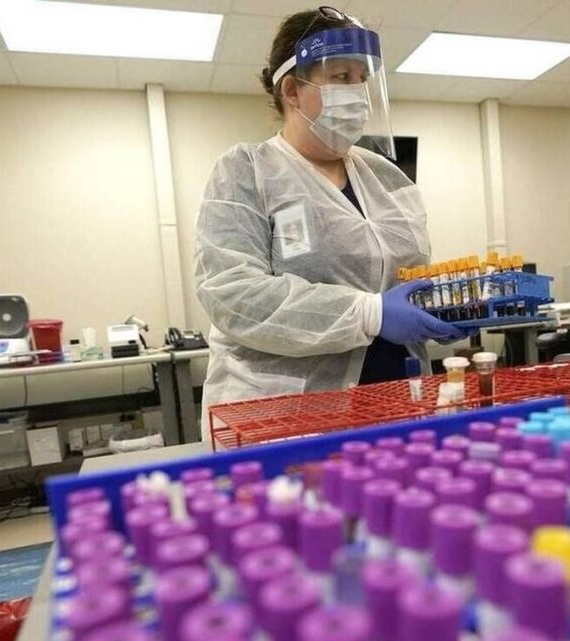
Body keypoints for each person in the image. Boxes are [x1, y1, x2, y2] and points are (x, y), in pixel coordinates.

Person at [193, 7, 462, 442]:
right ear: (292, 90)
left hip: (395, 405)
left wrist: (441, 309)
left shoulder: (387, 178)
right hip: (289, 422)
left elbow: (407, 278)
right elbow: (233, 294)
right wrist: (369, 312)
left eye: (362, 78)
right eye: (341, 77)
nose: (358, 92)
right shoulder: (246, 171)